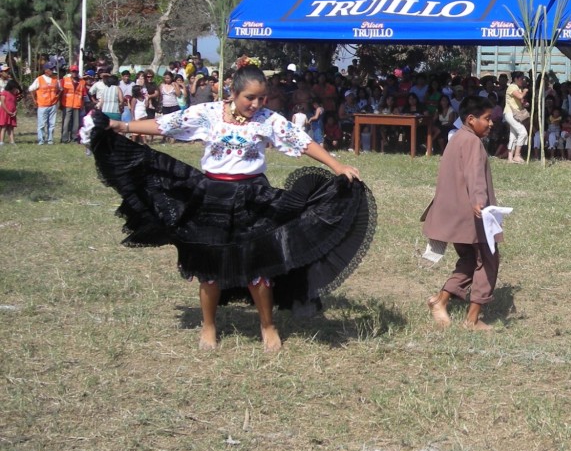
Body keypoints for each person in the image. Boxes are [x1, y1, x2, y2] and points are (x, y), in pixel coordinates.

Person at [87, 65, 375, 352]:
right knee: (209, 270)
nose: (256, 104)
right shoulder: (208, 114)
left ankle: (267, 325)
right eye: (250, 97)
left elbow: (302, 141)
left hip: (254, 197)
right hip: (211, 198)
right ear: (233, 93)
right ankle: (209, 326)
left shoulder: (268, 119)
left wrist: (337, 165)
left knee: (258, 268)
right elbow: (166, 124)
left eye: (261, 98)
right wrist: (121, 126)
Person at [423, 97, 502, 331]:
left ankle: (440, 301)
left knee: (469, 259)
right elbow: (474, 174)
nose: (491, 124)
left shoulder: (457, 138)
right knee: (488, 260)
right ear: (471, 119)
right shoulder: (472, 142)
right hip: (471, 215)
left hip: (454, 215)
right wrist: (479, 201)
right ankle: (472, 319)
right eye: (487, 119)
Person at [28, 62, 62, 144]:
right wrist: (34, 100)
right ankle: (41, 140)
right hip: (42, 105)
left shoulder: (55, 79)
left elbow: (60, 89)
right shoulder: (39, 79)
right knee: (41, 124)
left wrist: (57, 98)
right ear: (46, 70)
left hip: (53, 105)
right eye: (50, 69)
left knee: (52, 124)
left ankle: (50, 140)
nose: (52, 70)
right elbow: (31, 89)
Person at [503, 71, 529, 164]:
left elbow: (520, 101)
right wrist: (525, 91)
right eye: (521, 78)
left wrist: (525, 103)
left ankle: (510, 158)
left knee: (513, 135)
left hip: (514, 113)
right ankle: (517, 155)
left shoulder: (517, 87)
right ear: (516, 79)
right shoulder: (512, 87)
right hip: (510, 113)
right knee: (523, 133)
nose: (523, 80)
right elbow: (520, 96)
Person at [59, 66, 88, 143]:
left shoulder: (82, 82)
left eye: (76, 71)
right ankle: (64, 138)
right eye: (73, 71)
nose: (74, 73)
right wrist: (60, 104)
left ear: (78, 72)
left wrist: (82, 104)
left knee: (76, 123)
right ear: (70, 72)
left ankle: (74, 138)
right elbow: (60, 93)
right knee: (66, 122)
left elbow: (84, 94)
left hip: (77, 105)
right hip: (67, 104)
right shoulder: (64, 80)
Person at [0, 78, 20, 144]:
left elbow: (15, 103)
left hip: (12, 113)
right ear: (11, 87)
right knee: (4, 127)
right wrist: (8, 111)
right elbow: (3, 104)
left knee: (11, 128)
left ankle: (12, 141)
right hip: (5, 112)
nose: (15, 89)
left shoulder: (14, 95)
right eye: (14, 88)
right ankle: (1, 141)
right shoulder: (4, 93)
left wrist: (15, 111)